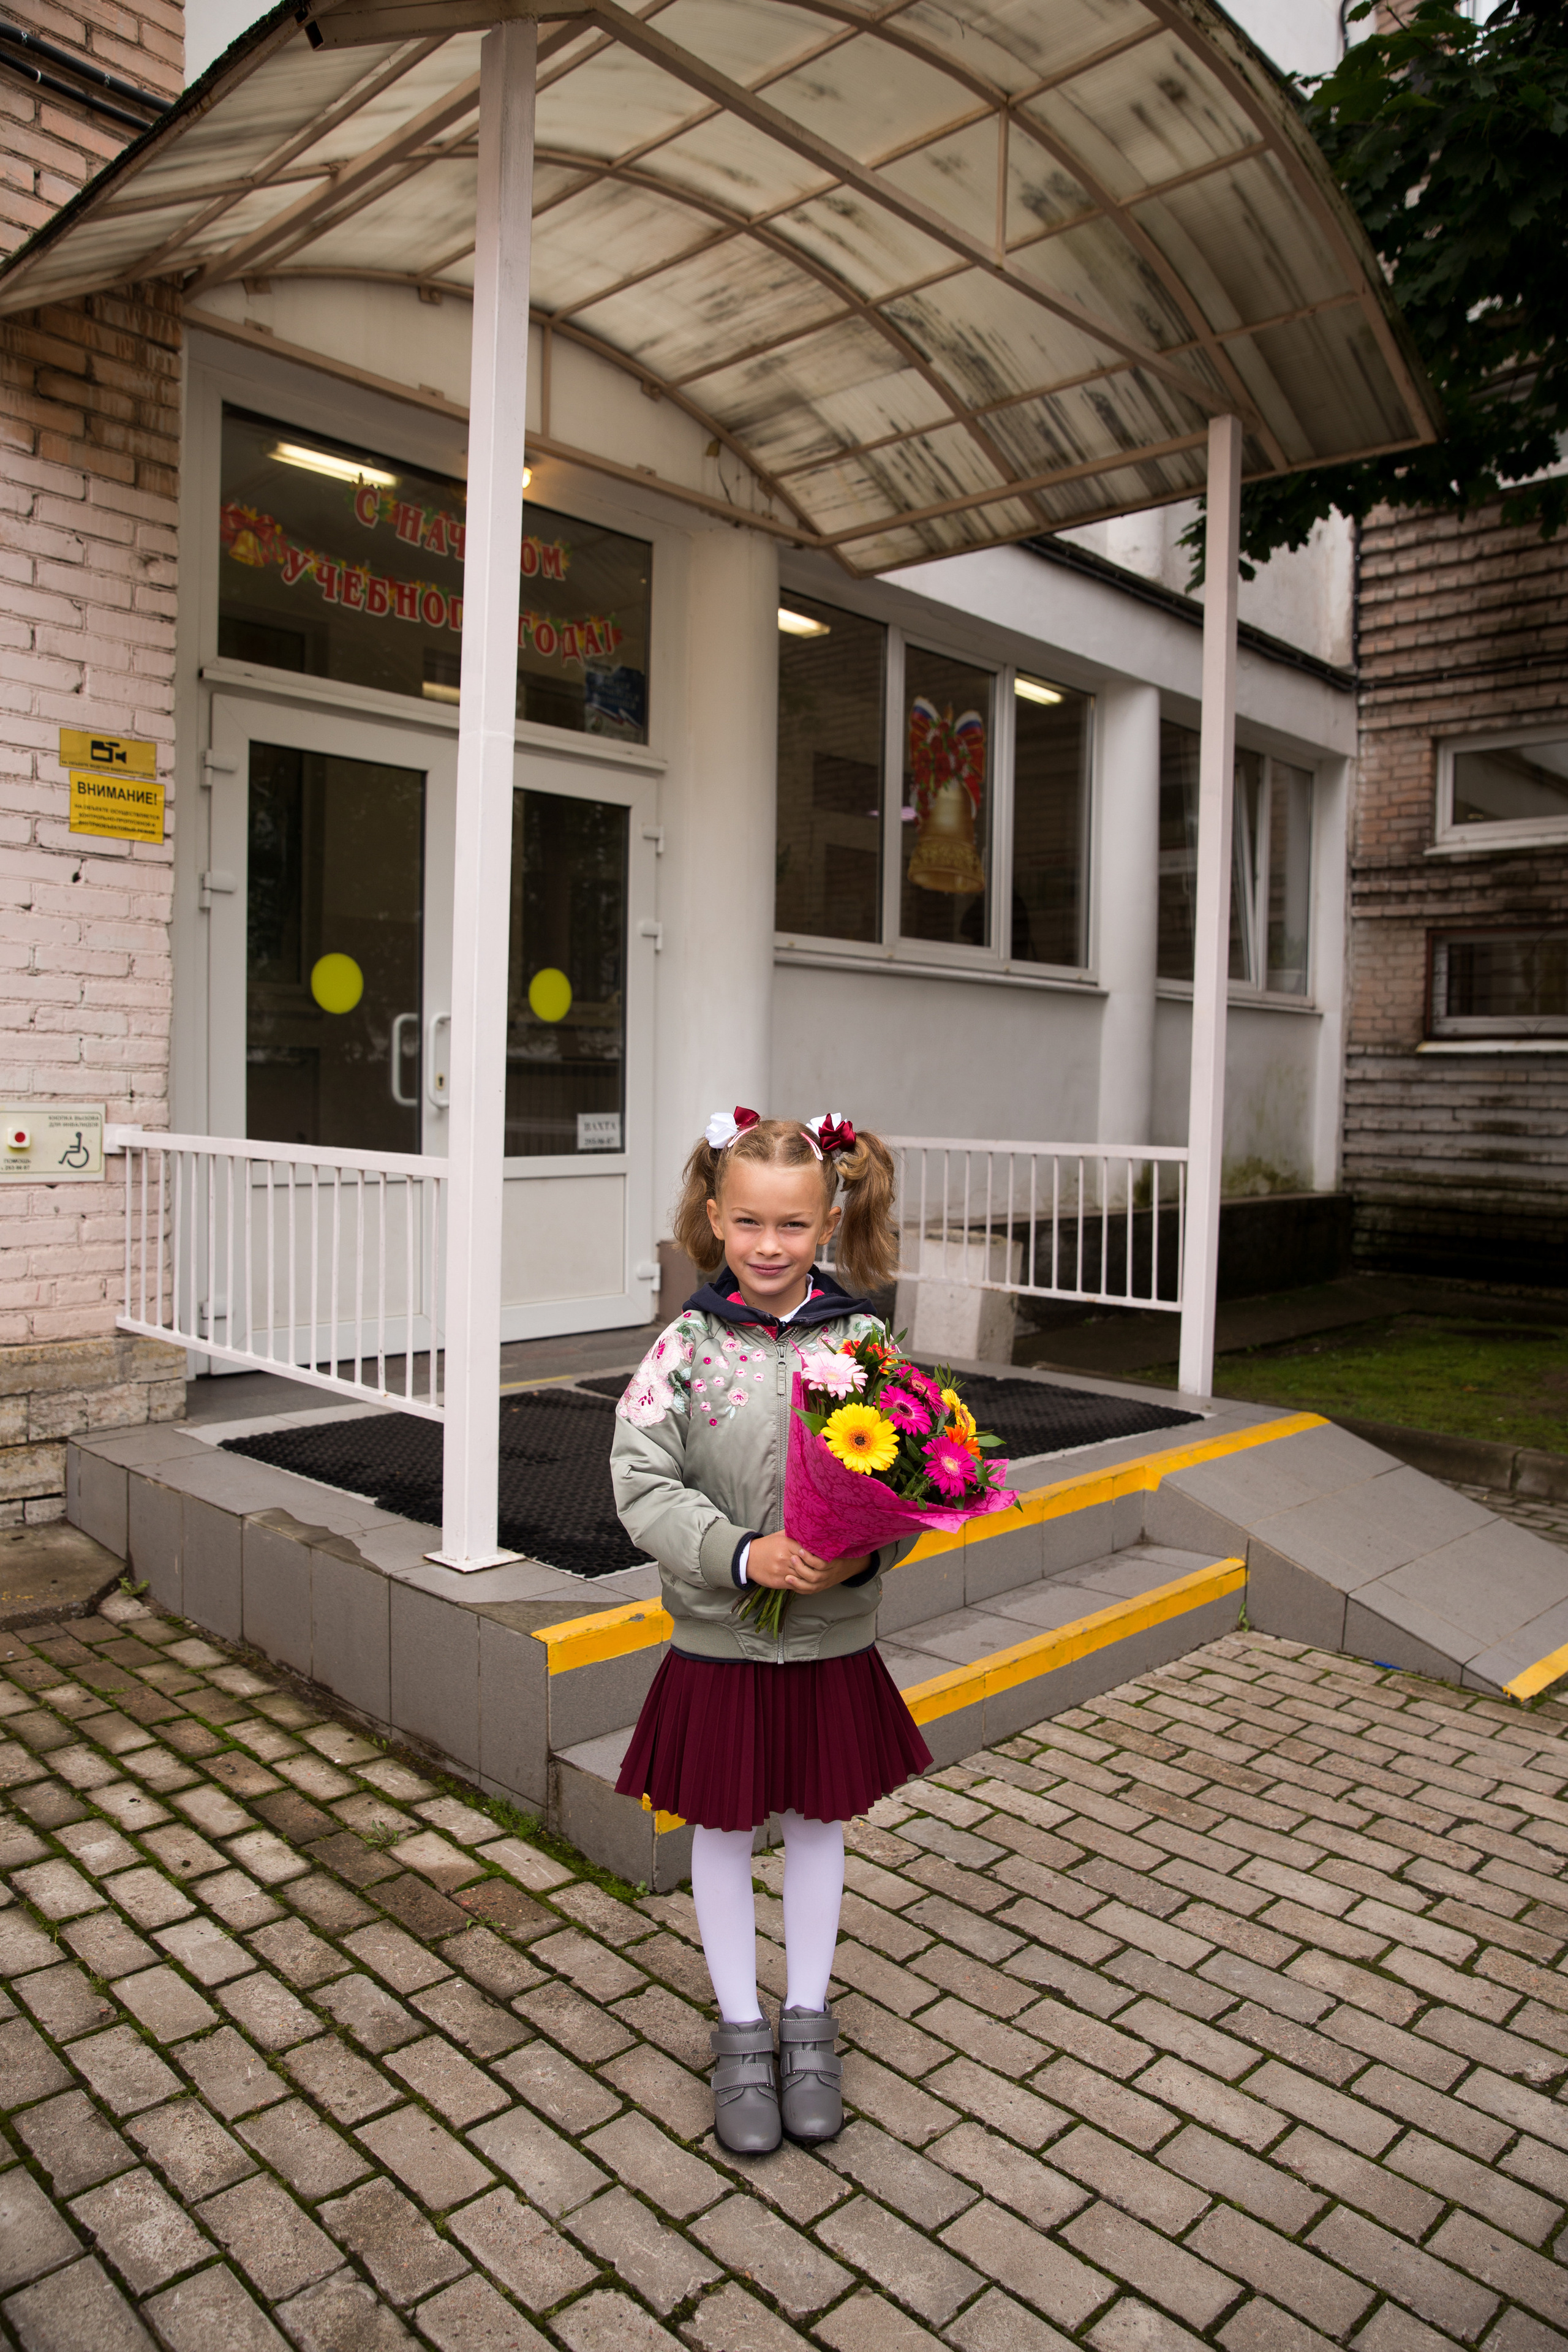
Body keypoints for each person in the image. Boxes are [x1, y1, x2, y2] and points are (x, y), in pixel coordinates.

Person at [609, 1107, 932, 2154]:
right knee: (719, 1828)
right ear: (714, 1217)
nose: (767, 1246)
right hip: (719, 1641)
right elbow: (639, 1481)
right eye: (746, 1222)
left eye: (792, 1227)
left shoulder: (865, 1342)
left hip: (830, 1640)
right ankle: (741, 2029)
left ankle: (808, 2019)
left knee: (815, 1828)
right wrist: (741, 1556)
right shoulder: (683, 1347)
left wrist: (867, 1551)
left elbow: (920, 1480)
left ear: (829, 1223)